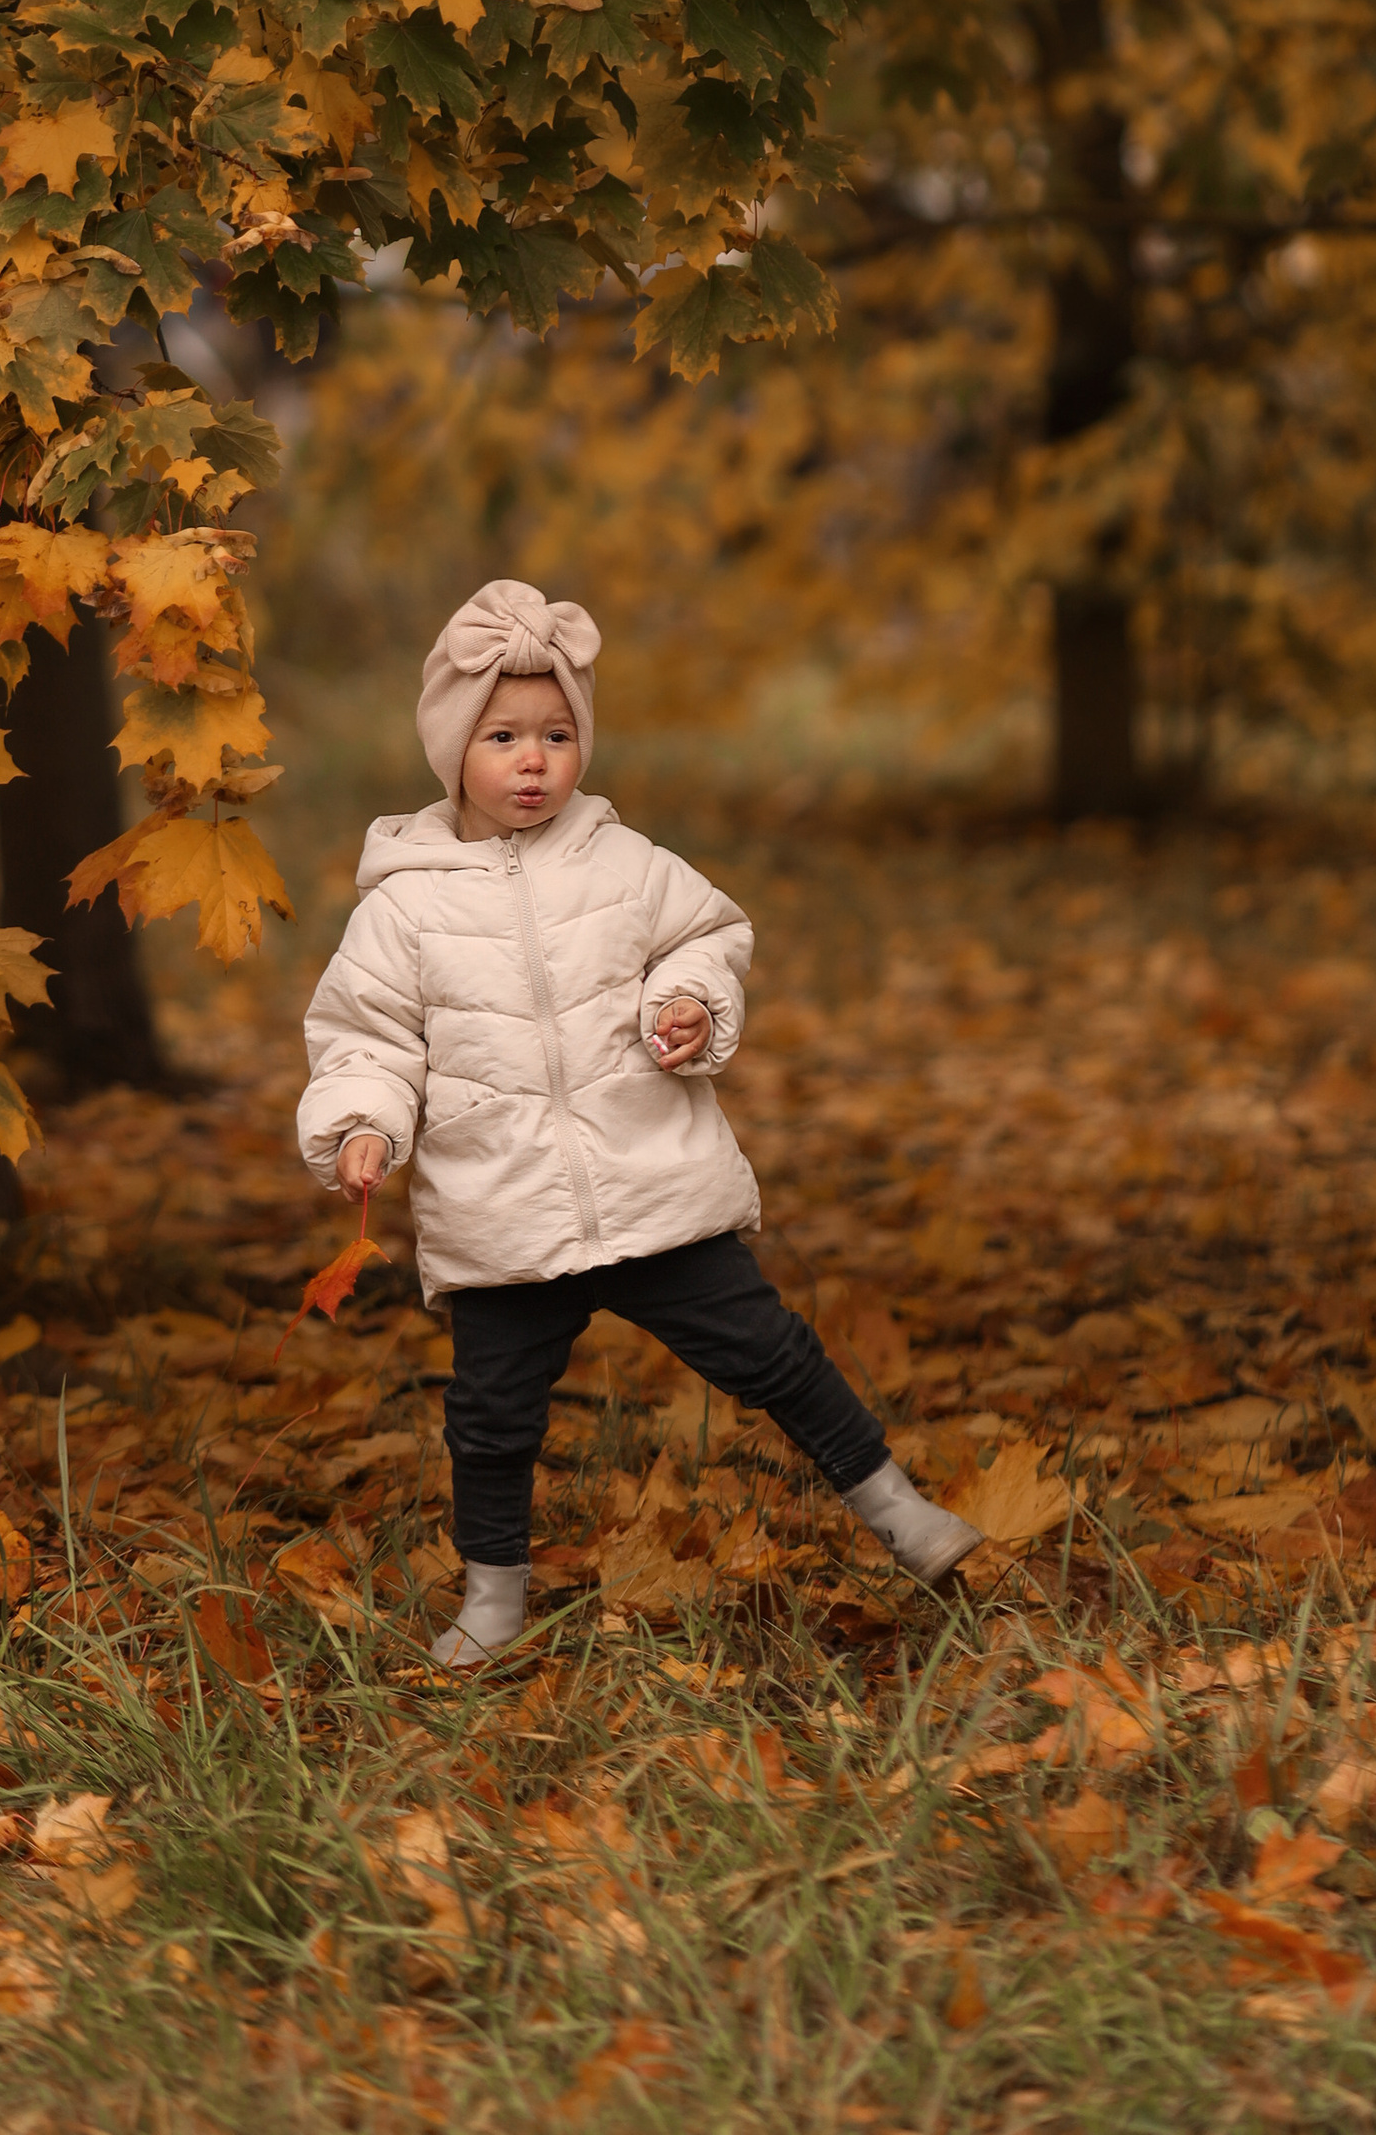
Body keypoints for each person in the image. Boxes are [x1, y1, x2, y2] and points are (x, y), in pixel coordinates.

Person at [295, 577, 982, 1666]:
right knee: (490, 1417)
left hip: (654, 1184)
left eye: (557, 735)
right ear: (450, 750)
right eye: (503, 738)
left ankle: (901, 1512)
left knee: (772, 1352)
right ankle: (493, 1596)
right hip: (504, 1213)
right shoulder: (403, 905)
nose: (534, 761)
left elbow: (706, 938)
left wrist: (689, 1002)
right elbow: (365, 1036)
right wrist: (363, 1123)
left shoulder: (627, 863)